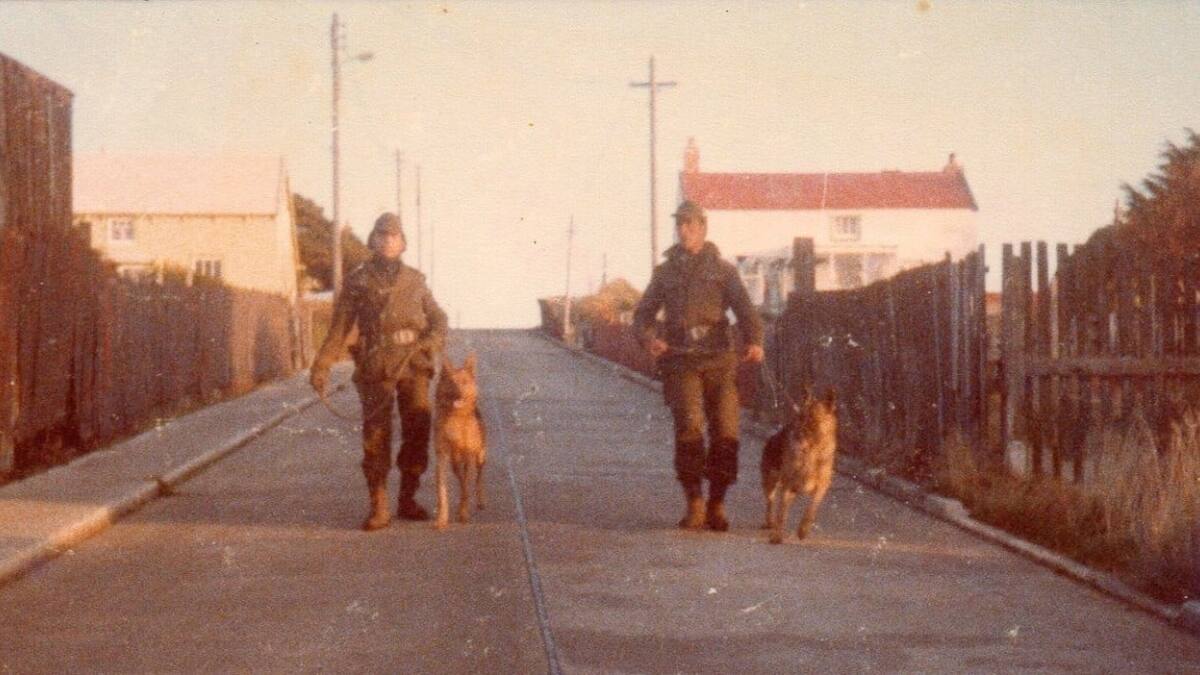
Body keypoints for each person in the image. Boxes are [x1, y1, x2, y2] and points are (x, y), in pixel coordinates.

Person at [309, 212, 448, 531]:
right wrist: (322, 366)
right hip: (376, 364)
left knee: (417, 428)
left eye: (393, 237)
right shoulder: (358, 280)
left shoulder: (415, 280)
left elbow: (439, 318)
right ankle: (379, 505)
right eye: (382, 236)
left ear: (403, 244)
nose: (387, 241)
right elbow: (339, 328)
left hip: (413, 363)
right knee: (376, 434)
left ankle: (408, 498)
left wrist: (430, 342)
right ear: (373, 240)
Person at [632, 200, 765, 532]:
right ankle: (694, 501)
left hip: (719, 359)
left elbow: (746, 311)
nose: (684, 230)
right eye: (679, 224)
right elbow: (642, 316)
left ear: (704, 227)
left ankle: (717, 503)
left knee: (726, 430)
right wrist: (650, 340)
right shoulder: (664, 273)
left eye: (690, 224)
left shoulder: (723, 270)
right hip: (680, 361)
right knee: (690, 428)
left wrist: (755, 340)